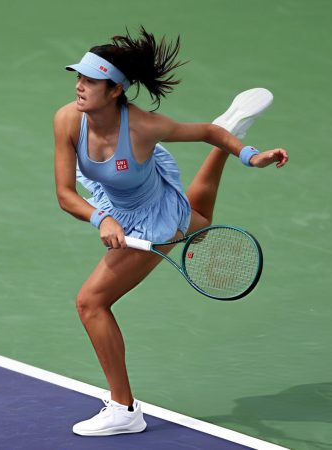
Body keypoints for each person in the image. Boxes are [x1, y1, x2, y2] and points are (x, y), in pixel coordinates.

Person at [52, 27, 288, 437]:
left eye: (91, 80)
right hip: (117, 201)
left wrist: (252, 158)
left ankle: (124, 409)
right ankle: (231, 132)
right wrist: (101, 219)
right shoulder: (68, 120)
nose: (79, 86)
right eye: (80, 77)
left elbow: (207, 131)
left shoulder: (144, 127)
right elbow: (65, 194)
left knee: (91, 303)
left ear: (115, 90)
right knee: (198, 222)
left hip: (151, 216)